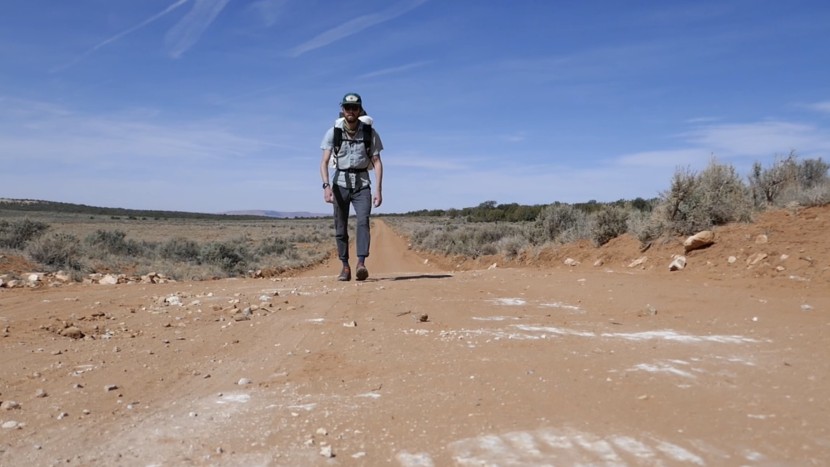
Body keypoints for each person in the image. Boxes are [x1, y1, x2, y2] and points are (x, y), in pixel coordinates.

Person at [320, 92, 384, 281]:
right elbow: (323, 162)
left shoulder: (369, 132)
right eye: (347, 107)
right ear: (342, 109)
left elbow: (378, 162)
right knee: (340, 226)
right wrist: (326, 186)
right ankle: (345, 266)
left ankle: (361, 263)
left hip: (362, 184)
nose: (350, 111)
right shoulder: (334, 132)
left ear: (359, 109)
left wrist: (379, 190)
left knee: (363, 221)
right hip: (340, 184)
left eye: (354, 107)